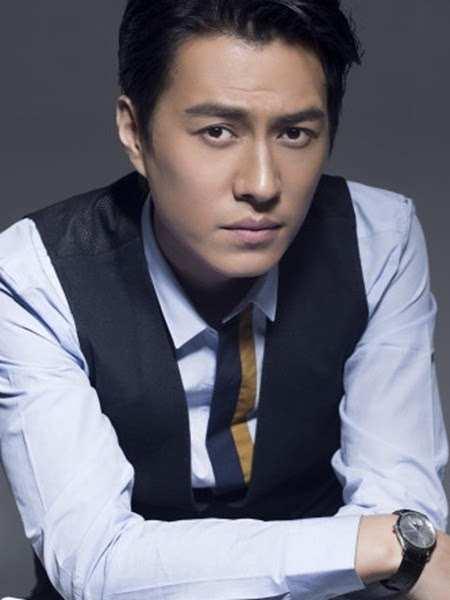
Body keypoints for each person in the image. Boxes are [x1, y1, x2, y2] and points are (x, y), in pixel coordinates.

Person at [0, 1, 449, 599]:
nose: (261, 184)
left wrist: (388, 546)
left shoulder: (378, 240)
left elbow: (405, 523)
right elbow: (95, 563)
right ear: (134, 132)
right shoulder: (34, 276)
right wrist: (365, 546)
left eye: (294, 133)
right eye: (217, 132)